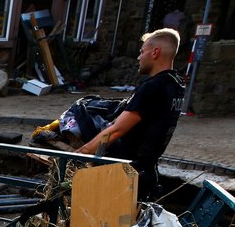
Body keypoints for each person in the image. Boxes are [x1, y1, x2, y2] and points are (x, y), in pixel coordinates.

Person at [77, 28, 185, 201]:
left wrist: (81, 154)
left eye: (142, 52)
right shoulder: (176, 85)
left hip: (128, 174)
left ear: (155, 52)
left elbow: (116, 130)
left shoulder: (152, 87)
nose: (139, 57)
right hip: (148, 170)